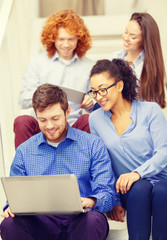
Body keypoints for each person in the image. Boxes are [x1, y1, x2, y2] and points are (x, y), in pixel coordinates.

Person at [0, 83, 120, 240]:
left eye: (55, 118)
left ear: (67, 112)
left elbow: (107, 192)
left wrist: (91, 201)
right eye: (42, 120)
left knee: (94, 220)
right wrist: (11, 207)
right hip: (41, 222)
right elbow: (15, 197)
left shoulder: (92, 144)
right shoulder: (24, 151)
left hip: (80, 219)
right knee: (9, 224)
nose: (49, 126)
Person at [88, 59, 167, 240]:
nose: (98, 97)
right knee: (139, 188)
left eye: (103, 89)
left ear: (119, 85)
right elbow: (101, 163)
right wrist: (114, 200)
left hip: (162, 181)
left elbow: (164, 152)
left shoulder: (150, 110)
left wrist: (137, 173)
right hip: (129, 189)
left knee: (162, 191)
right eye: (94, 92)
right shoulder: (95, 119)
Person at [14, 9, 95, 149]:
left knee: (89, 120)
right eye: (61, 39)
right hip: (44, 127)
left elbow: (98, 104)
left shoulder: (89, 66)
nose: (66, 44)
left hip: (73, 128)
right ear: (53, 39)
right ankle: (24, 168)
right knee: (22, 121)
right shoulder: (37, 62)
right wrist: (41, 92)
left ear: (79, 39)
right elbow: (23, 100)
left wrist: (91, 102)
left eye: (71, 39)